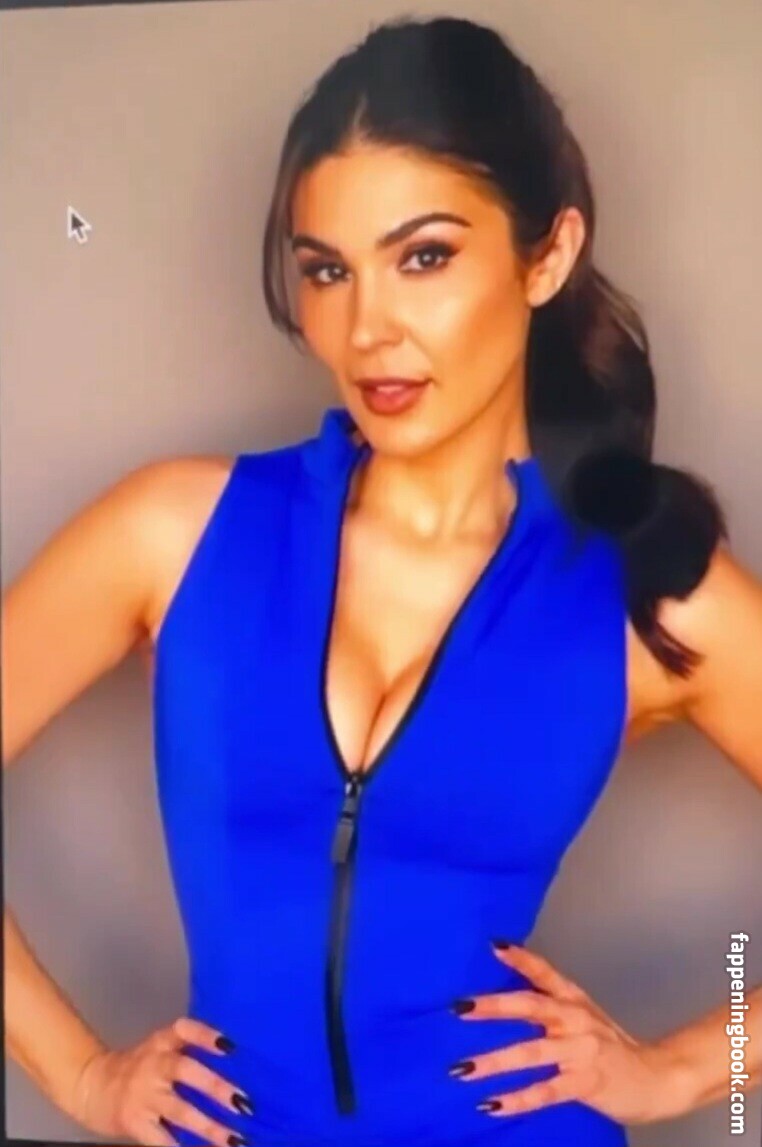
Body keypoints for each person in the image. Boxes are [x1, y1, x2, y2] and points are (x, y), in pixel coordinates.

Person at [3, 13, 761, 1147]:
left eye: (424, 257)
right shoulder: (175, 532)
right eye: (327, 270)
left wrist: (687, 1068)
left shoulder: (646, 596)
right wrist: (79, 1077)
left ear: (547, 255)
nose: (367, 329)